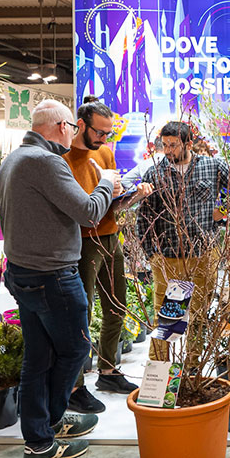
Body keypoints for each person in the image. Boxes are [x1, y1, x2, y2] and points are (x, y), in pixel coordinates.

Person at [0, 99, 118, 458]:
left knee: (39, 355)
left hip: (24, 273)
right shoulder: (47, 162)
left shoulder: (15, 158)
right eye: (73, 127)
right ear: (64, 127)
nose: (75, 134)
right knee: (76, 348)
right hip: (51, 277)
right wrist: (107, 182)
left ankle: (39, 433)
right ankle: (45, 427)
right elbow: (89, 211)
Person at [136, 121, 230, 365]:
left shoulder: (212, 166)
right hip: (166, 259)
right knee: (165, 321)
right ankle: (158, 374)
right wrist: (151, 255)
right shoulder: (155, 173)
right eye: (164, 145)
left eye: (173, 145)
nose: (168, 151)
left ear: (188, 143)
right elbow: (144, 217)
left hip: (203, 255)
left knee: (198, 316)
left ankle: (193, 366)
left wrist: (225, 210)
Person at [63, 99, 152, 412]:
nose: (104, 139)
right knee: (81, 313)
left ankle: (108, 371)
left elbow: (110, 206)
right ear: (81, 125)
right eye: (100, 132)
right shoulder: (62, 158)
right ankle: (75, 385)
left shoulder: (105, 152)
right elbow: (80, 210)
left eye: (109, 133)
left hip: (110, 235)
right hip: (82, 242)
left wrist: (134, 197)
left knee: (117, 304)